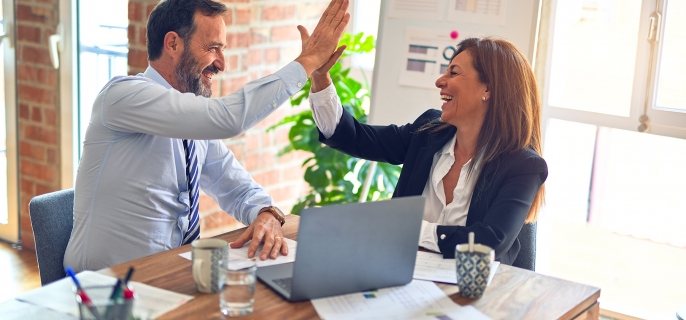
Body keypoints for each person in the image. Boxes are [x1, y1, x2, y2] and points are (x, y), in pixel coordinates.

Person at [64, 0, 350, 272]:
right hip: (104, 288)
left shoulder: (193, 124)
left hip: (168, 278)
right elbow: (228, 119)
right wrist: (308, 61)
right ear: (173, 43)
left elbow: (237, 188)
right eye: (213, 48)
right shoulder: (122, 96)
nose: (221, 64)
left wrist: (265, 212)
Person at [308, 37, 547, 265]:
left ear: (488, 89)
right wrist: (320, 77)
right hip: (401, 276)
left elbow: (488, 243)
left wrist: (409, 228)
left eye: (453, 72)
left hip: (475, 295)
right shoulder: (428, 132)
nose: (440, 81)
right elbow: (353, 137)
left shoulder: (523, 166)